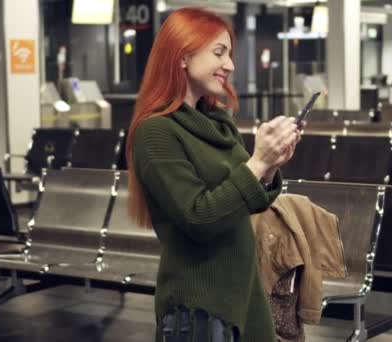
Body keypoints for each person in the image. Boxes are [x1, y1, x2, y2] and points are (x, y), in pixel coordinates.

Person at [125, 7, 301, 342]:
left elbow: (243, 201)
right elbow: (200, 217)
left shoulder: (217, 121)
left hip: (242, 292)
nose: (230, 65)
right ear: (181, 56)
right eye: (219, 52)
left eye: (230, 54)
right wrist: (257, 162)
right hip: (200, 305)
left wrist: (270, 165)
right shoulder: (157, 133)